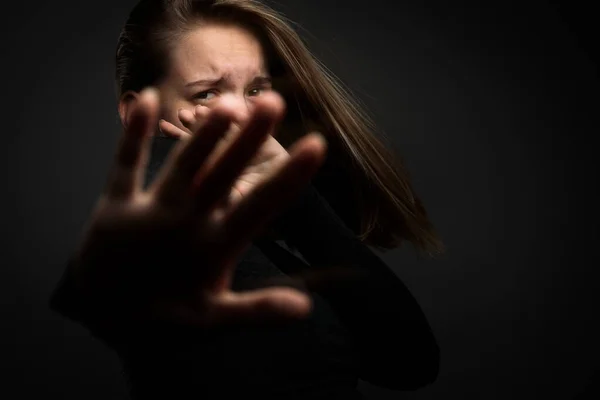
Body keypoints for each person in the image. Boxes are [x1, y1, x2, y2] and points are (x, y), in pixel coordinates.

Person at [50, 0, 444, 398]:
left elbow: (410, 362)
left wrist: (293, 199)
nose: (242, 115)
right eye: (207, 93)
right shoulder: (165, 234)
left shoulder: (247, 233)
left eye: (256, 89)